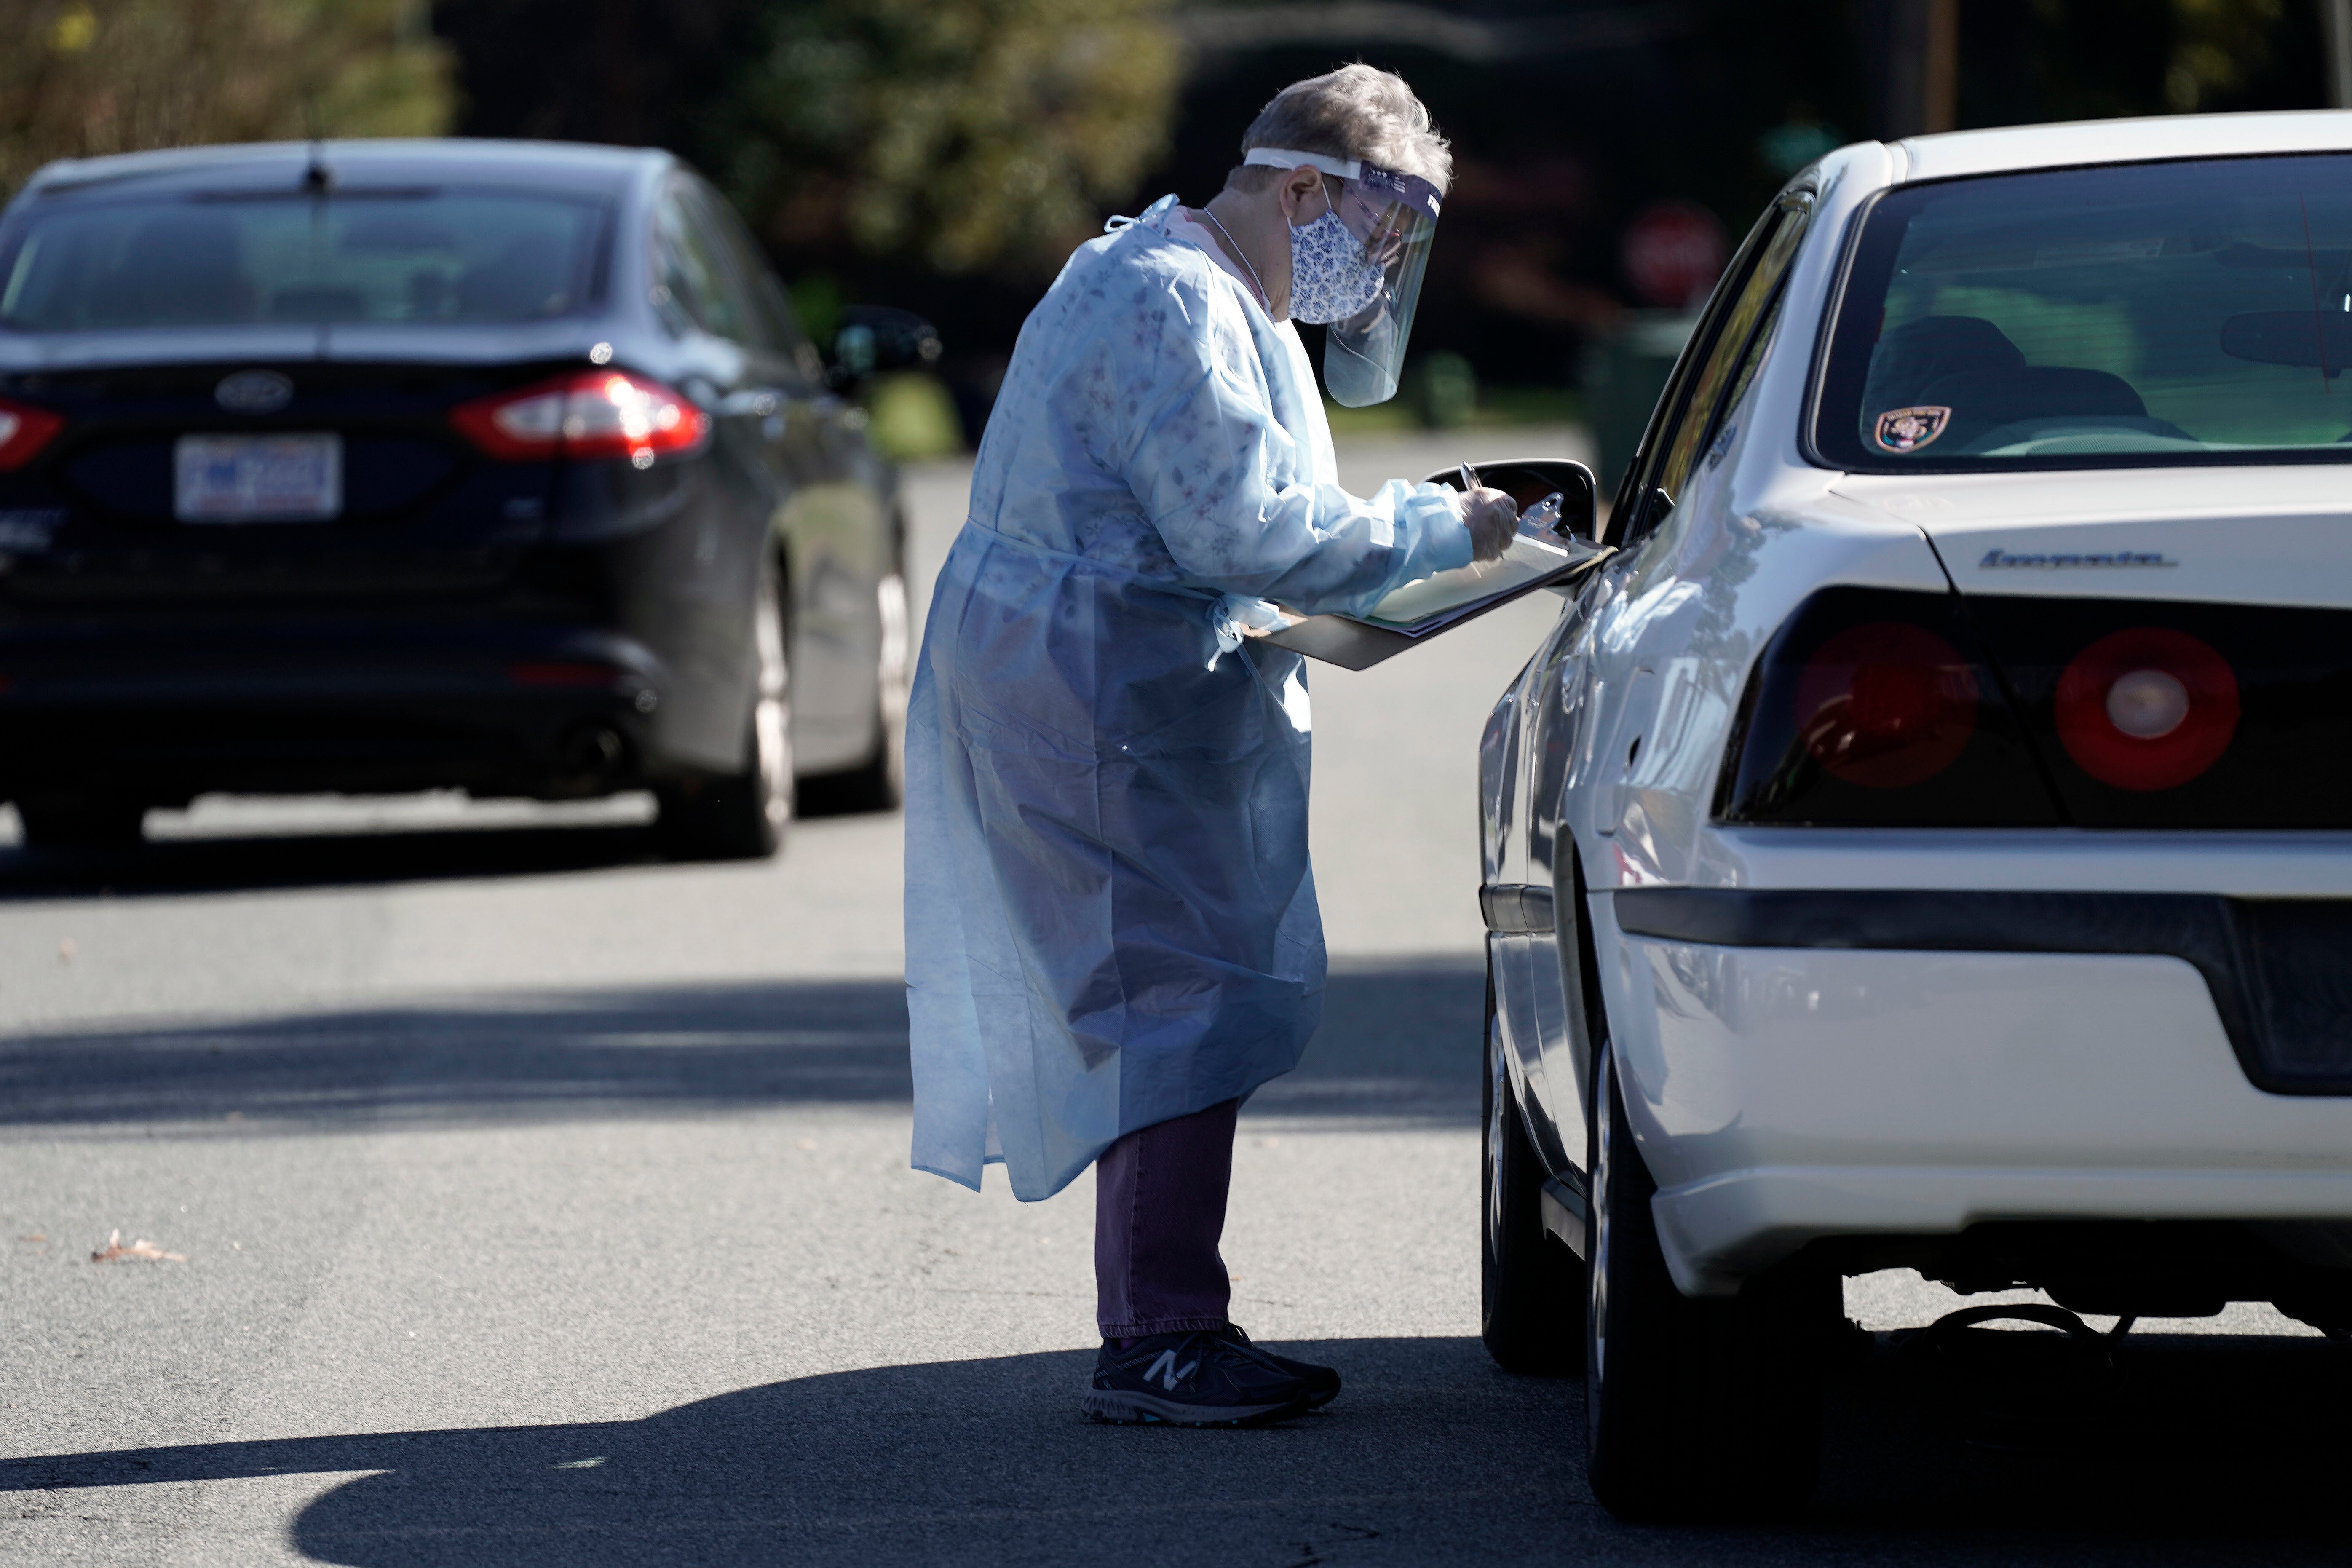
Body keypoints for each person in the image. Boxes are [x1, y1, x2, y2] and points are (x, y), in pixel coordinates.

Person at [903, 64, 1517, 1427]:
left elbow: (1263, 497)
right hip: (1097, 691)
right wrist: (1441, 536)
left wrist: (1422, 522)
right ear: (1302, 186)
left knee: (1180, 992)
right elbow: (1246, 533)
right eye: (1380, 230)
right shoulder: (1172, 299)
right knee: (1176, 1000)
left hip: (1114, 673)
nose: (1384, 265)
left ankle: (1167, 1320)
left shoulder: (1212, 288)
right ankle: (1162, 1337)